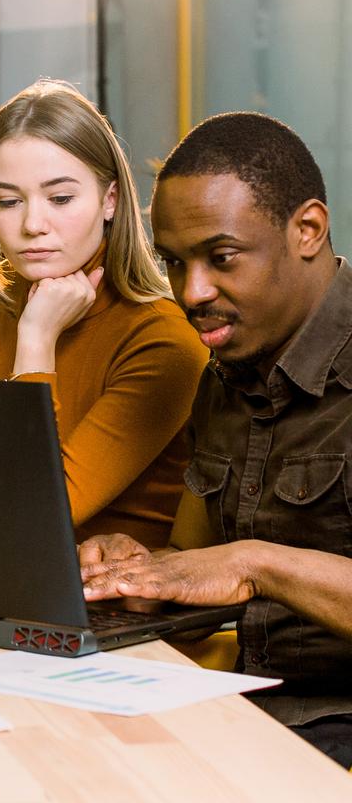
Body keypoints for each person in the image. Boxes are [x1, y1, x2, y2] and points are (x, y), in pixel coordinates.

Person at [81, 112, 352, 766]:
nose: (192, 291)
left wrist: (251, 563)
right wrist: (145, 575)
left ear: (307, 230)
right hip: (246, 710)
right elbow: (197, 567)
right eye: (175, 263)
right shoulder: (224, 377)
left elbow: (235, 566)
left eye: (221, 258)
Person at [0, 81, 208, 546]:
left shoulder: (166, 341)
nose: (32, 225)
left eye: (61, 198)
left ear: (109, 200)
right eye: (8, 201)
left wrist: (36, 342)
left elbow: (32, 515)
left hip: (112, 597)